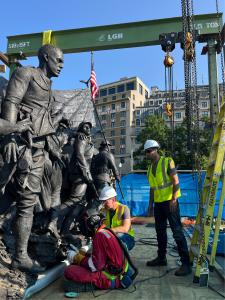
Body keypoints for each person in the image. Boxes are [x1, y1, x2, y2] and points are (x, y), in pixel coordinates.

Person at [1, 44, 64, 273]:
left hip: (38, 150)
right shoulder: (25, 73)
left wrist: (51, 148)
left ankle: (20, 256)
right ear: (45, 57)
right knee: (4, 191)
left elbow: (43, 122)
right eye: (58, 60)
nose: (62, 65)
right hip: (19, 145)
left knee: (26, 204)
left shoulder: (49, 86)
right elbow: (11, 103)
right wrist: (9, 136)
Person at [144, 139, 191, 276]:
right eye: (146, 152)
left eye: (149, 151)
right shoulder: (149, 169)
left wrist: (174, 199)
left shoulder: (167, 161)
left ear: (155, 149)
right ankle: (161, 258)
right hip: (159, 204)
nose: (147, 154)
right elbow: (152, 188)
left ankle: (186, 264)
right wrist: (150, 205)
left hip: (170, 202)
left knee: (177, 232)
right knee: (160, 231)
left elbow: (176, 181)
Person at [47, 121, 96, 237]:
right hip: (80, 174)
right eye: (85, 126)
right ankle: (51, 221)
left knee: (78, 203)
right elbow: (79, 155)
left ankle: (64, 230)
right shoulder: (81, 138)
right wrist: (86, 172)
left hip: (77, 174)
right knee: (74, 200)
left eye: (89, 127)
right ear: (80, 129)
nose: (88, 128)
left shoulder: (86, 140)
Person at [64, 214, 137, 290]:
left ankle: (103, 284)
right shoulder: (106, 232)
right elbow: (103, 256)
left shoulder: (99, 236)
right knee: (78, 266)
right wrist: (84, 255)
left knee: (69, 270)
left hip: (112, 277)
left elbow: (96, 266)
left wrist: (76, 257)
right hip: (120, 271)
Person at [100, 185, 135, 251]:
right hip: (112, 235)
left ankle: (122, 259)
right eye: (102, 201)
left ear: (113, 199)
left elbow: (125, 229)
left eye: (105, 201)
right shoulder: (105, 210)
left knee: (117, 239)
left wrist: (108, 231)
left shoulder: (124, 208)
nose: (103, 204)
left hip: (127, 237)